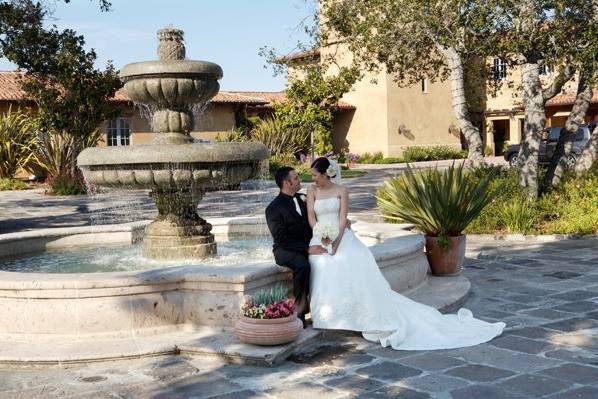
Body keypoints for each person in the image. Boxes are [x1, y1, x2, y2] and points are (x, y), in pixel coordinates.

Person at [306, 157, 505, 350]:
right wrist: (321, 236)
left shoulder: (342, 190)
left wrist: (336, 241)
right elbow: (311, 218)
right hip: (320, 236)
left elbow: (343, 219)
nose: (312, 178)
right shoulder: (311, 190)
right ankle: (327, 316)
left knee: (348, 261)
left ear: (325, 174)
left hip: (341, 236)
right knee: (320, 263)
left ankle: (358, 316)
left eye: (315, 175)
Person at [265, 167, 327, 327]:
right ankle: (300, 312)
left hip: (309, 244)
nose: (300, 180)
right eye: (296, 178)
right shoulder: (273, 208)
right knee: (302, 264)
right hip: (285, 250)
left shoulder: (303, 198)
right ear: (287, 183)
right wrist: (307, 249)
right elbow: (281, 238)